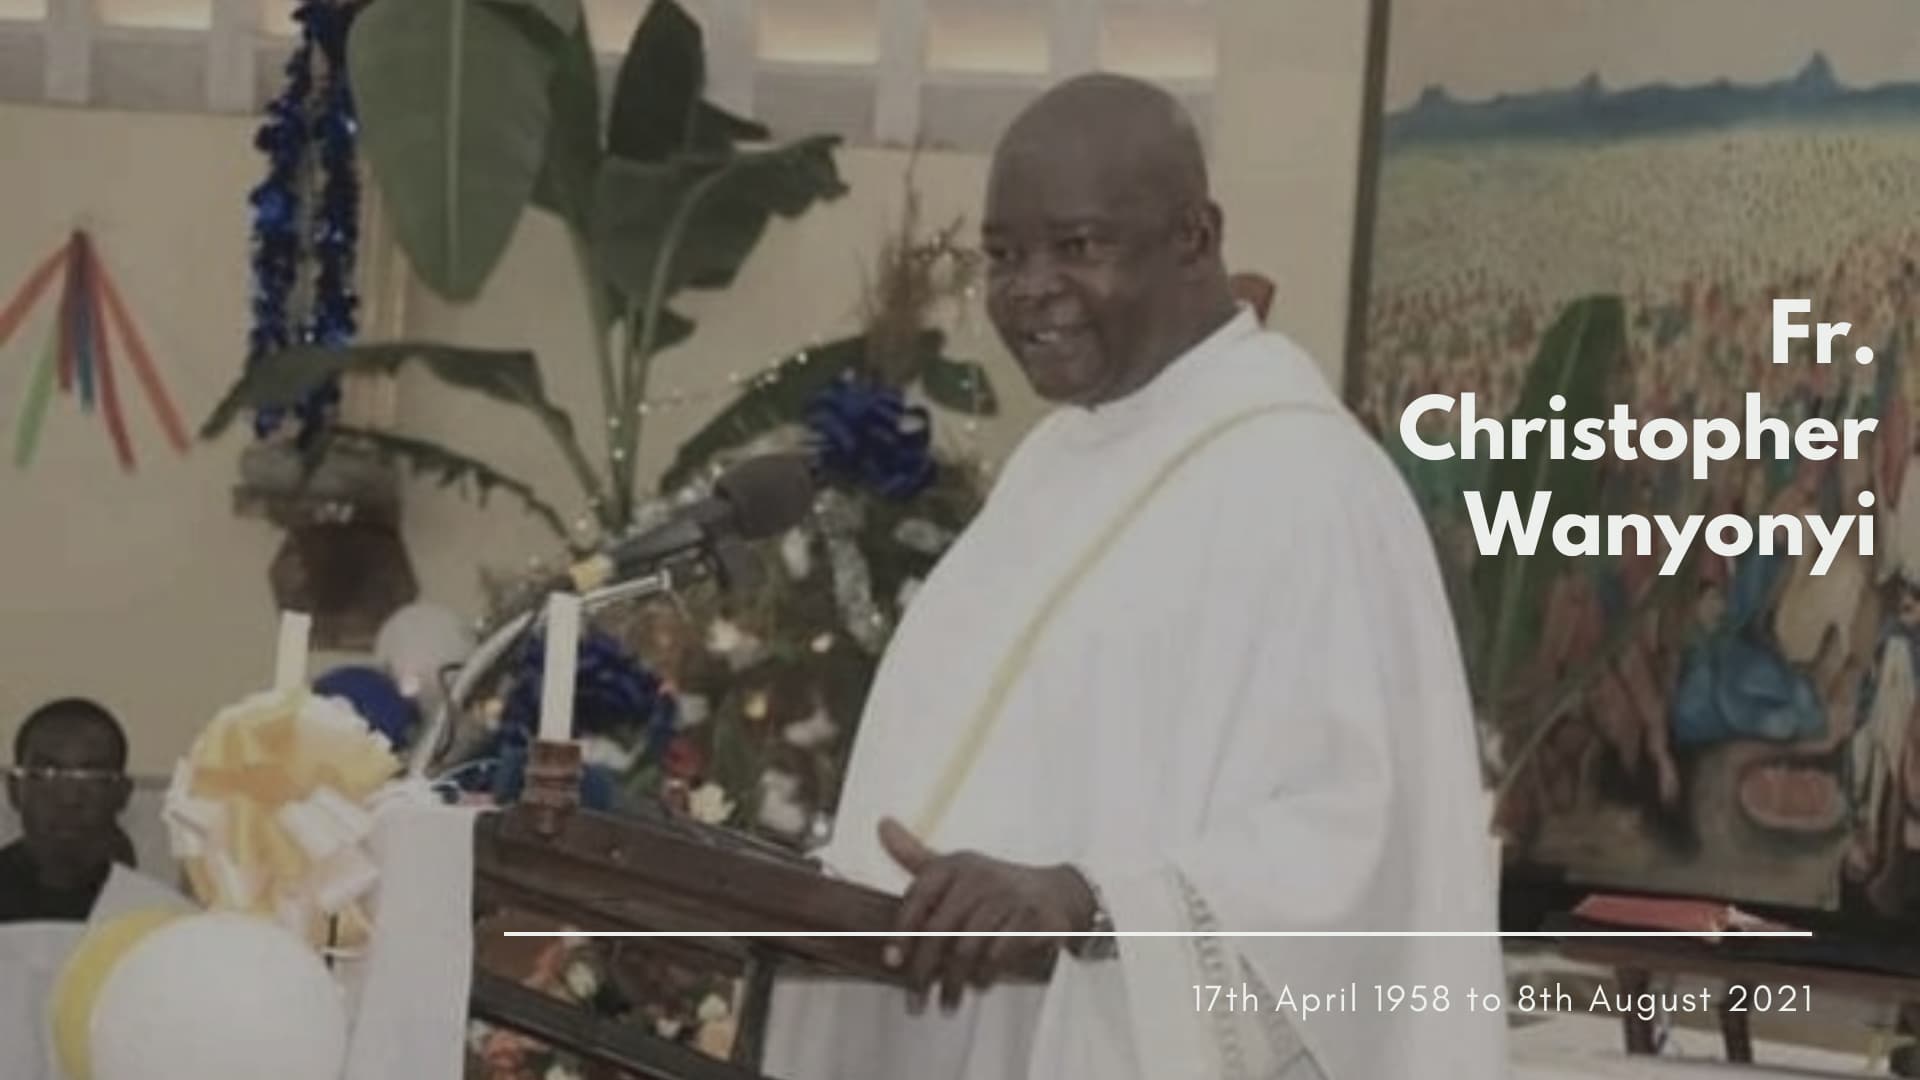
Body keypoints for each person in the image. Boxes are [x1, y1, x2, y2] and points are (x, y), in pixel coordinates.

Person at [760, 73, 1508, 1079]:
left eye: (1079, 246)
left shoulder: (1308, 482)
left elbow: (1363, 840)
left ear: (1196, 238)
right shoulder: (1056, 465)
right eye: (1004, 255)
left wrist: (1085, 897)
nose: (1029, 289)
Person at [0, 698, 135, 922]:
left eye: (92, 778)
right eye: (48, 774)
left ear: (122, 794)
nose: (69, 798)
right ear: (14, 789)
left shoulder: (152, 915)